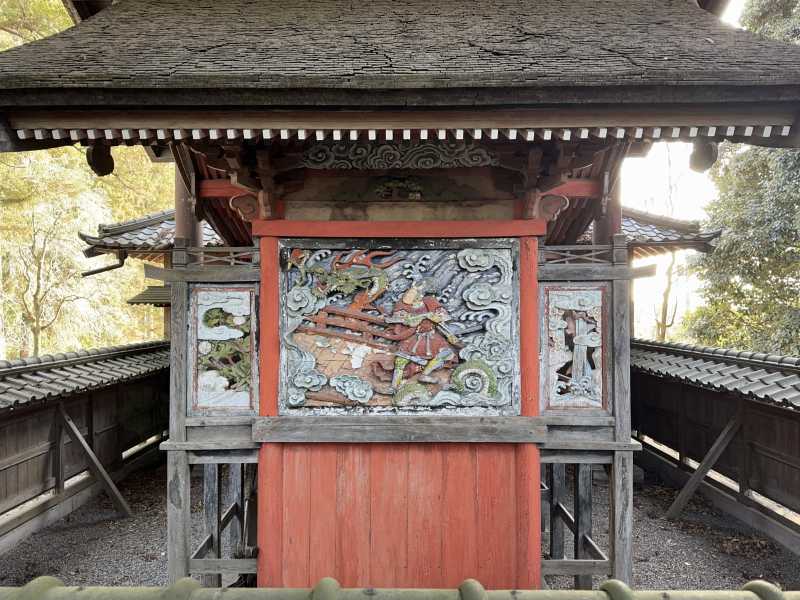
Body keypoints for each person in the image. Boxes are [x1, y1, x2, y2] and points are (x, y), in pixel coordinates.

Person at [385, 279, 459, 392]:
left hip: (432, 337)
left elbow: (441, 318)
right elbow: (406, 321)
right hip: (414, 337)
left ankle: (425, 374)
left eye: (414, 292)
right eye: (410, 292)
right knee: (400, 360)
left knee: (446, 353)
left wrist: (434, 318)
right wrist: (424, 316)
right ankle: (394, 386)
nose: (410, 295)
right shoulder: (403, 306)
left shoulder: (429, 302)